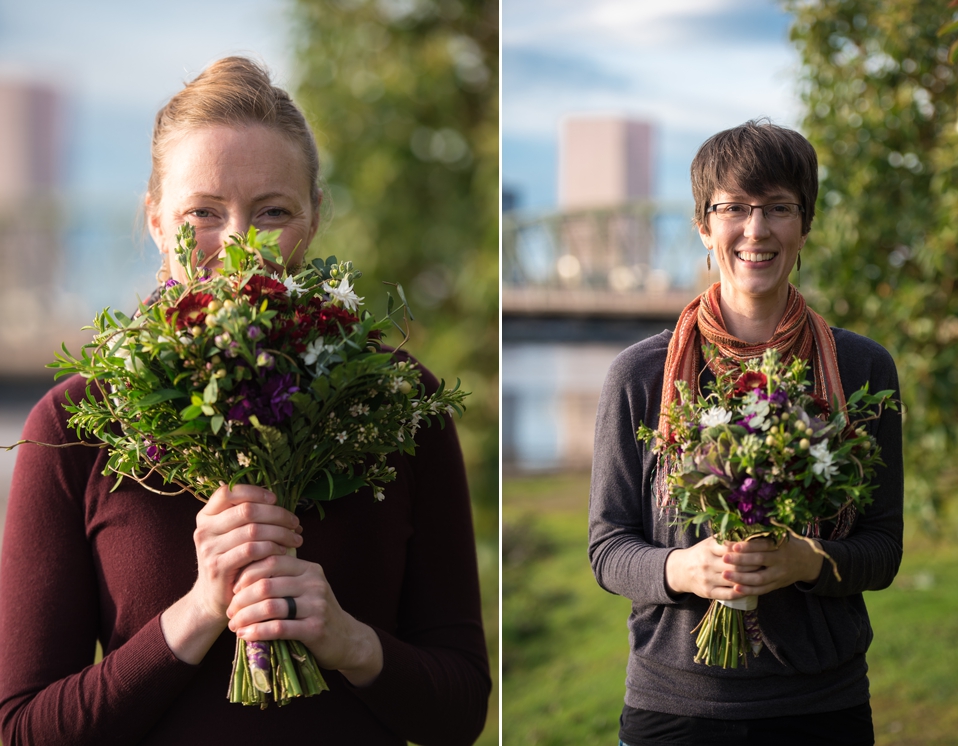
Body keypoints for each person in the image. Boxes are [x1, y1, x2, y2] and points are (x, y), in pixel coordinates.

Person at [0, 57, 490, 745]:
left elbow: (461, 711)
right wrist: (197, 613)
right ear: (154, 219)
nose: (237, 247)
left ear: (315, 216)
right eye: (202, 212)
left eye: (272, 212)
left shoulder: (399, 402)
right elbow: (22, 729)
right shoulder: (74, 425)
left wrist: (348, 640)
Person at [588, 120, 902, 746]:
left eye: (779, 208)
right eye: (733, 208)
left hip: (822, 703)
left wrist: (807, 561)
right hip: (675, 707)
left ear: (804, 226)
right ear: (704, 227)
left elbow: (884, 549)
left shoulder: (864, 369)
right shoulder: (639, 377)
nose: (756, 230)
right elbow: (607, 547)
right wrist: (682, 568)